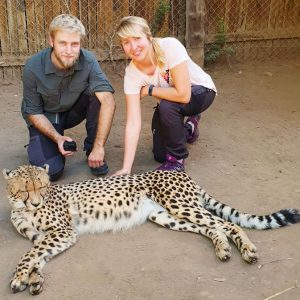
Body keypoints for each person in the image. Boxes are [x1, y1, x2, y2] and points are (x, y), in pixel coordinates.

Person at [114, 16, 216, 175]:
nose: (133, 46)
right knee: (160, 154)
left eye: (137, 38)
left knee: (167, 106)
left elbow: (183, 95)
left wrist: (149, 89)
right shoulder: (131, 74)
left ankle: (177, 162)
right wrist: (126, 168)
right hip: (172, 100)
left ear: (148, 36)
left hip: (200, 91)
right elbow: (133, 122)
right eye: (126, 42)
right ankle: (189, 128)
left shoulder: (169, 46)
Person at [21, 14, 115, 181]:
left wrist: (99, 146)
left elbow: (108, 100)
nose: (69, 51)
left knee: (100, 95)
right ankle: (41, 141)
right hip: (46, 117)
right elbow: (33, 112)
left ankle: (93, 150)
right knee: (51, 172)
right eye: (63, 43)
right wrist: (58, 138)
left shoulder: (88, 60)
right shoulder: (32, 66)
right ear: (51, 41)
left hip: (72, 111)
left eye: (75, 44)